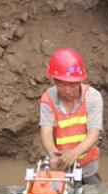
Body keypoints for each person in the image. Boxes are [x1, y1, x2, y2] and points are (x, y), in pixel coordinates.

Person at [40, 48, 103, 184]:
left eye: (72, 85)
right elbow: (46, 132)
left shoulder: (92, 97)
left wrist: (75, 153)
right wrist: (52, 153)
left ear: (79, 81)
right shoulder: (48, 98)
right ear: (55, 81)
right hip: (61, 163)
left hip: (87, 163)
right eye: (62, 85)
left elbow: (94, 134)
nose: (68, 91)